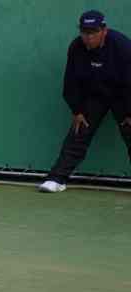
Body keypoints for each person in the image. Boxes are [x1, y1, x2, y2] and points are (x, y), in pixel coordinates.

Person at [39, 10, 131, 193]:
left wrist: (130, 113)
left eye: (93, 32)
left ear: (104, 31)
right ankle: (57, 179)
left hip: (123, 96)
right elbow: (71, 82)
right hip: (95, 95)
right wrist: (77, 110)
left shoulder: (123, 47)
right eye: (84, 32)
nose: (88, 37)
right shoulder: (76, 47)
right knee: (79, 129)